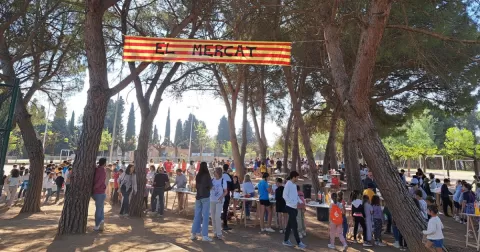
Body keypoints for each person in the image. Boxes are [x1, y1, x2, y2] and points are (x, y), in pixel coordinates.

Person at [282, 171, 307, 249]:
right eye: (297, 177)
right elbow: (284, 196)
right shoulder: (288, 184)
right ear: (294, 177)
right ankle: (299, 242)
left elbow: (295, 196)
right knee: (295, 225)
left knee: (289, 226)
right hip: (290, 207)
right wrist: (291, 202)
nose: (298, 178)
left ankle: (285, 240)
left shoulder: (294, 185)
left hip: (294, 207)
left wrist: (301, 201)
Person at [191, 162, 213, 241]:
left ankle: (194, 233)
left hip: (198, 196)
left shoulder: (198, 175)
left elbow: (196, 186)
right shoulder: (207, 175)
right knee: (205, 216)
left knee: (197, 215)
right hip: (205, 196)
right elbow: (210, 186)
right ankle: (204, 235)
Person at [210, 167, 228, 240]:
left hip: (219, 201)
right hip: (212, 200)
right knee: (213, 217)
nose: (214, 173)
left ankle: (219, 233)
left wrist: (221, 196)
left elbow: (226, 191)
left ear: (218, 173)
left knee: (217, 216)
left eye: (215, 172)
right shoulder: (212, 180)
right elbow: (209, 188)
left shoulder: (223, 181)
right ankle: (215, 232)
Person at [92, 158, 107, 231]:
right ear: (104, 163)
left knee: (100, 208)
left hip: (96, 192)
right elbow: (100, 181)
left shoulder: (96, 169)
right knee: (99, 209)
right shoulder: (102, 171)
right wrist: (95, 188)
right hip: (99, 192)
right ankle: (98, 224)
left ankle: (101, 221)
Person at [221, 164, 233, 230]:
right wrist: (232, 194)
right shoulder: (229, 177)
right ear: (228, 168)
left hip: (219, 195)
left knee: (219, 208)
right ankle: (224, 224)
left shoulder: (220, 175)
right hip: (226, 195)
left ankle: (217, 223)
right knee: (225, 209)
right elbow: (232, 187)